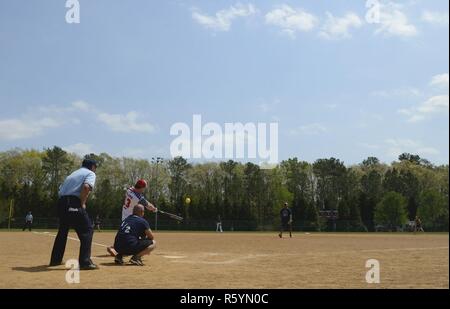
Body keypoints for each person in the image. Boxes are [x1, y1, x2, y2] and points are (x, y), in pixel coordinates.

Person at [49, 159, 98, 270]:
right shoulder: (90, 173)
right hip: (73, 202)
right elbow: (86, 187)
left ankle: (55, 260)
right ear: (93, 166)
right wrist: (82, 203)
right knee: (88, 229)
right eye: (96, 167)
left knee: (63, 231)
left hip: (61, 202)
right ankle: (85, 262)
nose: (95, 170)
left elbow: (61, 190)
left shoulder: (73, 174)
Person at [107, 179, 157, 256]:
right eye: (144, 188)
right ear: (141, 187)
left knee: (128, 235)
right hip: (132, 218)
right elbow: (147, 205)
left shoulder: (129, 190)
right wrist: (154, 209)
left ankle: (114, 248)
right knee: (139, 233)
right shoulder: (136, 197)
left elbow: (132, 190)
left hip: (125, 216)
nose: (144, 190)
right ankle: (139, 251)